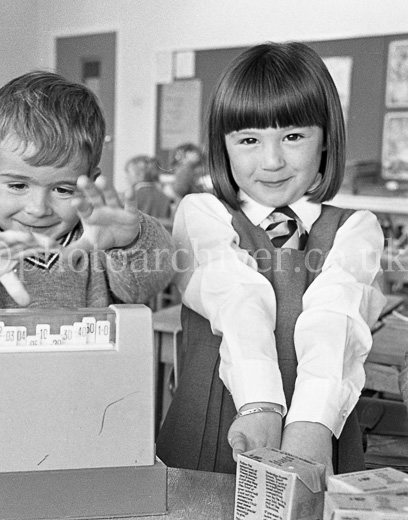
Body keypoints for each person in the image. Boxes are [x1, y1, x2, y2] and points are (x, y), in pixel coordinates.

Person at [156, 41, 386, 475]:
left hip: (316, 436)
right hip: (210, 433)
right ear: (223, 147)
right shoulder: (202, 212)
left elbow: (335, 318)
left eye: (293, 136)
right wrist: (259, 402)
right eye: (249, 140)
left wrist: (311, 422)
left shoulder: (356, 227)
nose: (272, 160)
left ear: (325, 139)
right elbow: (236, 296)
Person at [0, 71, 174, 318]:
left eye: (62, 190)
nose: (38, 208)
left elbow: (150, 283)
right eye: (18, 186)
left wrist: (131, 242)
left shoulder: (100, 243)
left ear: (90, 182)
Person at [123, 154, 173, 220]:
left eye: (128, 172)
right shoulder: (165, 198)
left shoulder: (131, 197)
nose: (126, 177)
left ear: (140, 175)